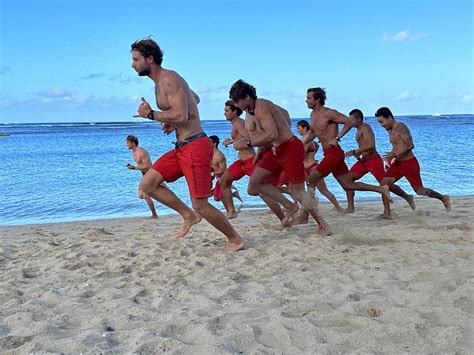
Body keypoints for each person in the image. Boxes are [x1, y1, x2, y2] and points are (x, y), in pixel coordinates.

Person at [130, 38, 245, 251]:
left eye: (136, 59)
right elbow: (195, 99)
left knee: (201, 203)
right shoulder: (160, 82)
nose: (132, 64)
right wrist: (169, 120)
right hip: (182, 147)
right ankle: (188, 216)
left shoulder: (168, 79)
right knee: (148, 184)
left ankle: (235, 239)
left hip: (194, 146)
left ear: (150, 58)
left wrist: (152, 115)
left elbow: (182, 115)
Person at [229, 79, 331, 235]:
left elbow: (272, 134)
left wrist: (248, 142)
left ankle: (323, 224)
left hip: (290, 148)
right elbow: (269, 132)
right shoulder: (251, 111)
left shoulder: (261, 105)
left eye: (237, 101)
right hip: (275, 151)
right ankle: (290, 206)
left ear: (247, 97)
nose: (236, 105)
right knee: (253, 187)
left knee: (298, 191)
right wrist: (259, 153)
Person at [302, 88, 392, 210]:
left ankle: (307, 213)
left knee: (311, 180)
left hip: (333, 154)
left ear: (317, 100)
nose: (306, 100)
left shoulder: (328, 113)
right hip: (330, 154)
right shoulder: (312, 115)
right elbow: (313, 133)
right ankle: (381, 189)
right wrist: (297, 145)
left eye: (308, 98)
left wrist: (337, 137)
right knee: (348, 185)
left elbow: (349, 121)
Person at [375, 107, 451, 219]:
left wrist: (393, 155)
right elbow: (396, 145)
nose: (381, 125)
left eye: (382, 122)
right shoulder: (390, 129)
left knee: (420, 191)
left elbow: (410, 145)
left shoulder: (401, 127)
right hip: (398, 163)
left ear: (389, 117)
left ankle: (443, 198)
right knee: (384, 184)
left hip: (409, 164)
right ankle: (387, 212)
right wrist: (391, 157)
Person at [219, 100, 283, 220]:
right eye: (224, 111)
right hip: (241, 162)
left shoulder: (238, 123)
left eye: (227, 111)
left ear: (235, 112)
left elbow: (250, 138)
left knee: (263, 191)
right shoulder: (235, 124)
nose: (225, 113)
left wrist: (235, 142)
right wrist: (232, 141)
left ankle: (283, 217)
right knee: (224, 182)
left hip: (250, 161)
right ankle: (231, 211)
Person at [344, 109, 415, 213]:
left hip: (373, 160)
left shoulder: (365, 128)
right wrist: (359, 153)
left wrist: (355, 151)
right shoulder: (358, 129)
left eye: (351, 120)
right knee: (348, 180)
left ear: (358, 119)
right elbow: (364, 145)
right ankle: (351, 207)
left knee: (385, 184)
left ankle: (404, 199)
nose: (349, 122)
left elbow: (370, 145)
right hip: (364, 161)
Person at [295, 120, 343, 212]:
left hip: (312, 167)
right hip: (306, 168)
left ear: (305, 128)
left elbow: (302, 154)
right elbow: (315, 148)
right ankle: (311, 209)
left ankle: (338, 207)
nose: (297, 130)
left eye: (299, 128)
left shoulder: (308, 140)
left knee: (323, 190)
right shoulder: (305, 140)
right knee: (310, 190)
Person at [125, 135, 159, 218]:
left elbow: (148, 166)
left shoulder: (141, 152)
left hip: (150, 173)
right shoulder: (133, 152)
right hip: (144, 174)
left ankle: (154, 215)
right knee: (140, 195)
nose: (126, 145)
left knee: (145, 195)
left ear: (133, 143)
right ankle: (158, 195)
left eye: (128, 143)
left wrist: (134, 167)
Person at [209, 135, 242, 206]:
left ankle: (231, 207)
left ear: (214, 144)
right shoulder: (210, 154)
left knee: (218, 197)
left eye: (209, 142)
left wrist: (213, 173)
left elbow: (223, 170)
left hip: (223, 178)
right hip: (217, 178)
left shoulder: (219, 155)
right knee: (213, 196)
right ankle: (233, 194)